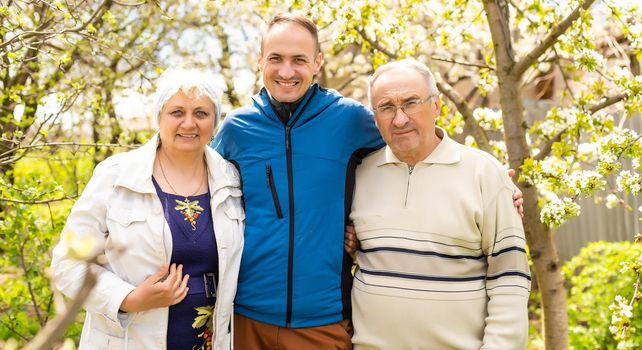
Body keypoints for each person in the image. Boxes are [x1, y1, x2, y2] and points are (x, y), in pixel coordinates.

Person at [213, 13, 524, 350]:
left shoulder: (349, 120)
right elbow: (199, 187)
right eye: (276, 58)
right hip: (246, 315)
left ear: (317, 62)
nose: (286, 71)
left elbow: (416, 141)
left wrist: (493, 183)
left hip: (323, 320)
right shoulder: (236, 130)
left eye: (299, 60)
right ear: (260, 60)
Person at [50, 68, 244, 349]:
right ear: (159, 117)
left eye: (201, 113)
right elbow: (67, 263)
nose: (189, 123)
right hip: (130, 341)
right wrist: (129, 299)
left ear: (214, 120)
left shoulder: (231, 181)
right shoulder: (115, 176)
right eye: (177, 112)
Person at [349, 59, 531, 349]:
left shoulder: (484, 173)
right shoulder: (358, 174)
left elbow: (510, 278)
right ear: (375, 116)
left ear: (437, 105)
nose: (399, 119)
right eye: (386, 107)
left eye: (410, 103)